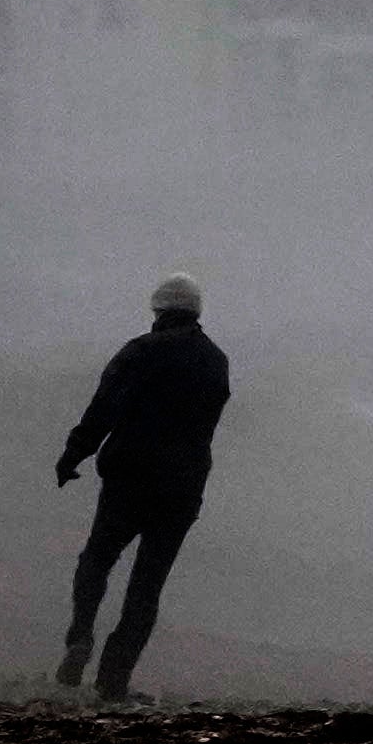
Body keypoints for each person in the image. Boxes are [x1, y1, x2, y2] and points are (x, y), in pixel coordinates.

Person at [54, 275, 232, 702]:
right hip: (182, 487)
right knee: (147, 584)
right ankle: (114, 680)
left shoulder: (139, 352)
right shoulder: (216, 361)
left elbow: (104, 407)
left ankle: (80, 637)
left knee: (97, 559)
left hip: (129, 477)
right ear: (197, 312)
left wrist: (74, 453)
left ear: (158, 311)